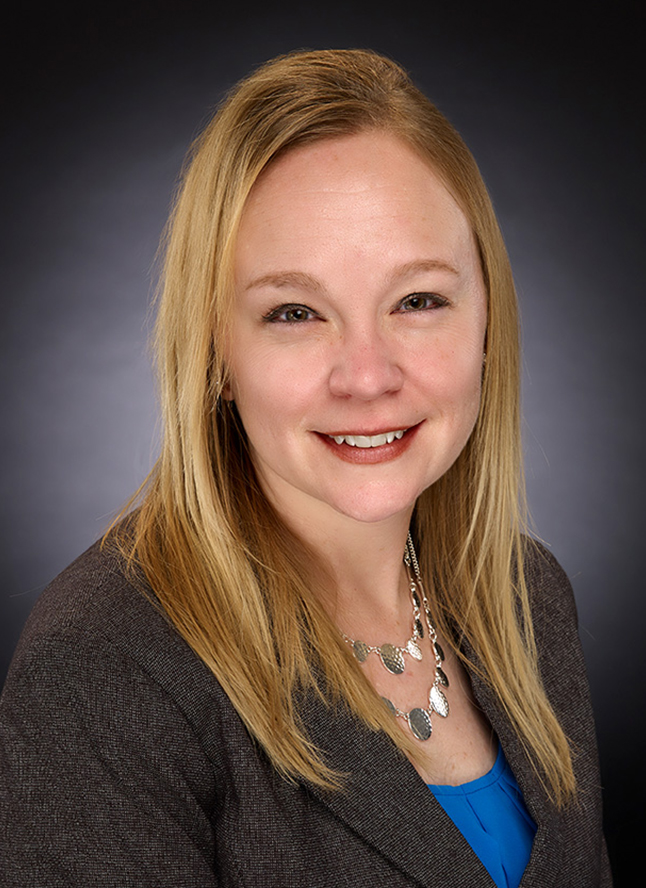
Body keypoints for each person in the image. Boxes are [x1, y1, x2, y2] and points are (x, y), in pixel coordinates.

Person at [0, 49, 611, 887]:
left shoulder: (530, 599)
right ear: (216, 353)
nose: (368, 375)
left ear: (486, 321)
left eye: (418, 301)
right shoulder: (103, 673)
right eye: (294, 312)